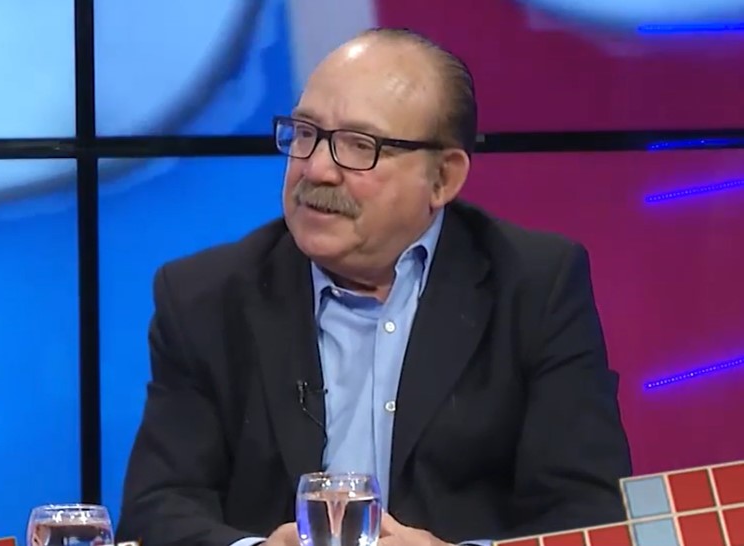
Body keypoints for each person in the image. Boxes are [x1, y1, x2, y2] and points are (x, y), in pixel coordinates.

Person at [116, 27, 632, 546]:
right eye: (305, 133)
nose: (317, 169)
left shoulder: (534, 286)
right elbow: (158, 513)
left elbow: (590, 515)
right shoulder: (205, 296)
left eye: (359, 146)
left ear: (443, 178)